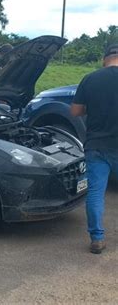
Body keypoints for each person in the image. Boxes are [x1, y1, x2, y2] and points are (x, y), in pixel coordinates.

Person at [70, 43, 118, 254]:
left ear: (104, 58)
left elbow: (75, 111)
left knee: (96, 193)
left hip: (97, 145)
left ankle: (97, 239)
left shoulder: (91, 79)